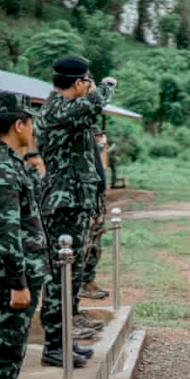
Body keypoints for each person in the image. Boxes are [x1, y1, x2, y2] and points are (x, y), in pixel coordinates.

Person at [36, 56, 116, 367]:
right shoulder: (59, 108)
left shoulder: (70, 111)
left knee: (72, 273)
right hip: (62, 203)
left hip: (73, 201)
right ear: (79, 83)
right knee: (60, 274)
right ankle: (54, 345)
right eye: (87, 82)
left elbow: (89, 116)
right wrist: (106, 85)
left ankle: (63, 339)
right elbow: (95, 103)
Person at [0, 92, 54, 379]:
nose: (32, 130)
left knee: (9, 354)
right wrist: (18, 283)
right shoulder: (1, 168)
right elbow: (6, 231)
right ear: (19, 125)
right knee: (2, 357)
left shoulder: (8, 162)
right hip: (10, 278)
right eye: (30, 123)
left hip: (19, 272)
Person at [81, 126, 110, 300]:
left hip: (97, 201)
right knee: (87, 244)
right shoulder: (83, 152)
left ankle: (88, 280)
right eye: (98, 136)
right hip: (89, 201)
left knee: (95, 244)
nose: (101, 139)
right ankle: (81, 283)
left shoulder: (95, 152)